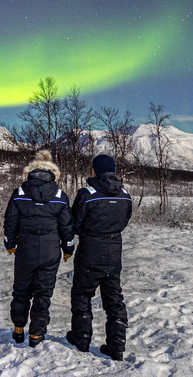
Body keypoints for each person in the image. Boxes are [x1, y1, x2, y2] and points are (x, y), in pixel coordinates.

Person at [4, 150, 75, 347]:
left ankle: (18, 329)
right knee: (43, 293)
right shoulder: (60, 196)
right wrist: (68, 247)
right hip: (50, 249)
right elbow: (67, 227)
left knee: (21, 289)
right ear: (53, 175)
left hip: (25, 248)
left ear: (30, 173)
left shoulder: (19, 193)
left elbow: (10, 222)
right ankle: (36, 333)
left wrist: (10, 244)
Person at [66, 154, 132, 360]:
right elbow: (126, 219)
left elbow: (75, 222)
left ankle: (81, 338)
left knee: (82, 294)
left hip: (90, 249)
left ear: (94, 170)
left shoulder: (87, 193)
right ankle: (117, 345)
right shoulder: (125, 193)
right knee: (114, 297)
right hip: (114, 250)